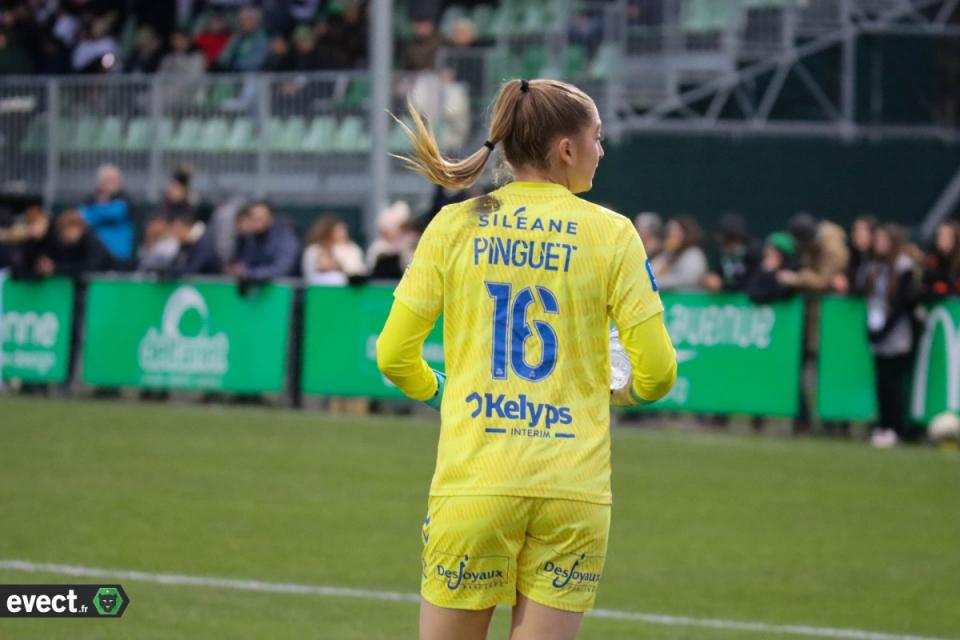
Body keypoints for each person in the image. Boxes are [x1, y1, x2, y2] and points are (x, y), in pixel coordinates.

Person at [376, 78, 676, 640]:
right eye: (597, 138)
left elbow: (394, 355)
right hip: (573, 491)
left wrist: (443, 390)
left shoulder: (453, 225)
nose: (602, 151)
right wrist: (614, 390)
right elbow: (657, 374)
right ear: (567, 149)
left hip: (477, 482)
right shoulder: (614, 235)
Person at [852, 225, 923, 447]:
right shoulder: (874, 266)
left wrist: (884, 330)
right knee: (881, 382)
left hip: (896, 333)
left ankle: (895, 427)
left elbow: (903, 303)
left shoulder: (904, 268)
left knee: (893, 383)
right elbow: (862, 290)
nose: (879, 244)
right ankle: (882, 425)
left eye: (884, 241)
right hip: (877, 327)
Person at [228, 202, 300, 281]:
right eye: (253, 218)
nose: (256, 222)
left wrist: (250, 273)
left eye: (260, 218)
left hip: (285, 290)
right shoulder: (249, 238)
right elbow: (244, 264)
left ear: (270, 219)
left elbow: (283, 268)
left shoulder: (285, 237)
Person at [79, 164, 134, 265]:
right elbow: (82, 218)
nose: (111, 183)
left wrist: (97, 210)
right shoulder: (89, 199)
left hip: (119, 255)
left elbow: (115, 214)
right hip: (94, 253)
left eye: (114, 179)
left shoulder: (125, 199)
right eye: (107, 179)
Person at [702, 213, 761, 293]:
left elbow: (753, 283)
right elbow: (718, 274)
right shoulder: (721, 255)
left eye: (727, 241)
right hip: (726, 302)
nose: (723, 247)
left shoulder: (753, 254)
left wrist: (722, 286)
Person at [301, 215, 365, 285]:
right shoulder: (313, 250)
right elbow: (310, 273)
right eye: (337, 231)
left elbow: (357, 271)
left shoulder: (352, 248)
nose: (342, 234)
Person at [649, 216, 707, 291]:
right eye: (668, 233)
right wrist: (666, 253)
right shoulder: (667, 254)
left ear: (685, 233)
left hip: (689, 300)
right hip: (667, 300)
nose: (671, 236)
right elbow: (650, 273)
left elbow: (687, 280)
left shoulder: (693, 254)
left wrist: (656, 282)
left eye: (675, 232)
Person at [166, 211, 222, 276]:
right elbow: (175, 264)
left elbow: (194, 269)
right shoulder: (185, 243)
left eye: (177, 230)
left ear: (187, 227)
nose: (175, 234)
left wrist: (174, 272)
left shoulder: (205, 242)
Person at [217, 7, 269, 72]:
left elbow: (258, 60)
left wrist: (237, 64)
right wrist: (227, 62)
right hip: (232, 72)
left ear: (257, 22)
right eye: (242, 20)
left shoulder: (261, 38)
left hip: (254, 74)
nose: (244, 23)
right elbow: (223, 57)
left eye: (249, 20)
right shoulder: (237, 37)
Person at [922, 220, 960, 300]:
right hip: (939, 307)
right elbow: (924, 286)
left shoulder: (957, 262)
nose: (940, 239)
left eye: (946, 236)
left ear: (955, 238)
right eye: (939, 235)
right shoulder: (932, 260)